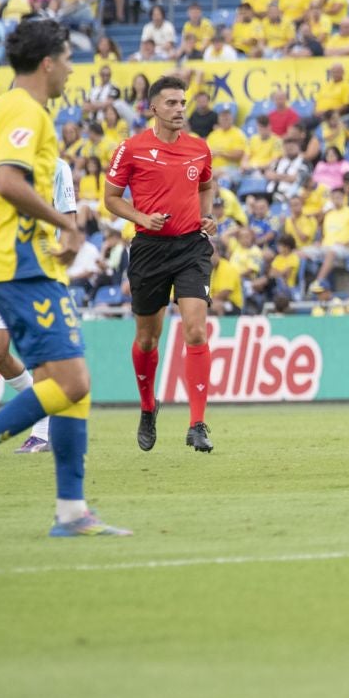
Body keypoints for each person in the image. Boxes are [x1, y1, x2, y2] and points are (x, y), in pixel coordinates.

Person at [0, 20, 127, 536]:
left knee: (73, 388)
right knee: (72, 382)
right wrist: (67, 222)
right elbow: (7, 182)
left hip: (18, 267)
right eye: (66, 59)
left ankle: (71, 512)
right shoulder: (27, 112)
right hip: (23, 266)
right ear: (47, 63)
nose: (69, 69)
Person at [104, 76, 217, 454]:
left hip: (190, 247)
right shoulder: (131, 149)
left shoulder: (199, 149)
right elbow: (110, 198)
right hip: (149, 248)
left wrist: (206, 216)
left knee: (196, 331)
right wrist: (140, 215)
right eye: (171, 103)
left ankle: (197, 424)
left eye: (183, 103)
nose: (180, 109)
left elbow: (205, 185)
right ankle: (148, 407)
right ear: (153, 108)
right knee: (147, 339)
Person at [0, 156, 81, 454]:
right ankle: (42, 404)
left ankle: (41, 431)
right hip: (0, 268)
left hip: (40, 272)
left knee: (40, 354)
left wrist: (64, 255)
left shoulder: (58, 167)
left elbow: (69, 219)